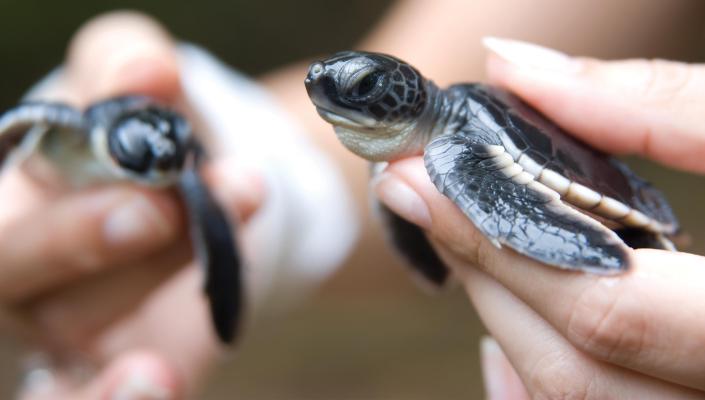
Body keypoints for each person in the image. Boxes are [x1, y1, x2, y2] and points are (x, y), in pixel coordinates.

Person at [2, 1, 704, 398]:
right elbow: (393, 191)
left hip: (601, 196)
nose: (331, 94)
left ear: (404, 94)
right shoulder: (415, 155)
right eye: (328, 93)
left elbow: (469, 190)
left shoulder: (455, 147)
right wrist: (264, 175)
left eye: (363, 88)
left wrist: (591, 255)